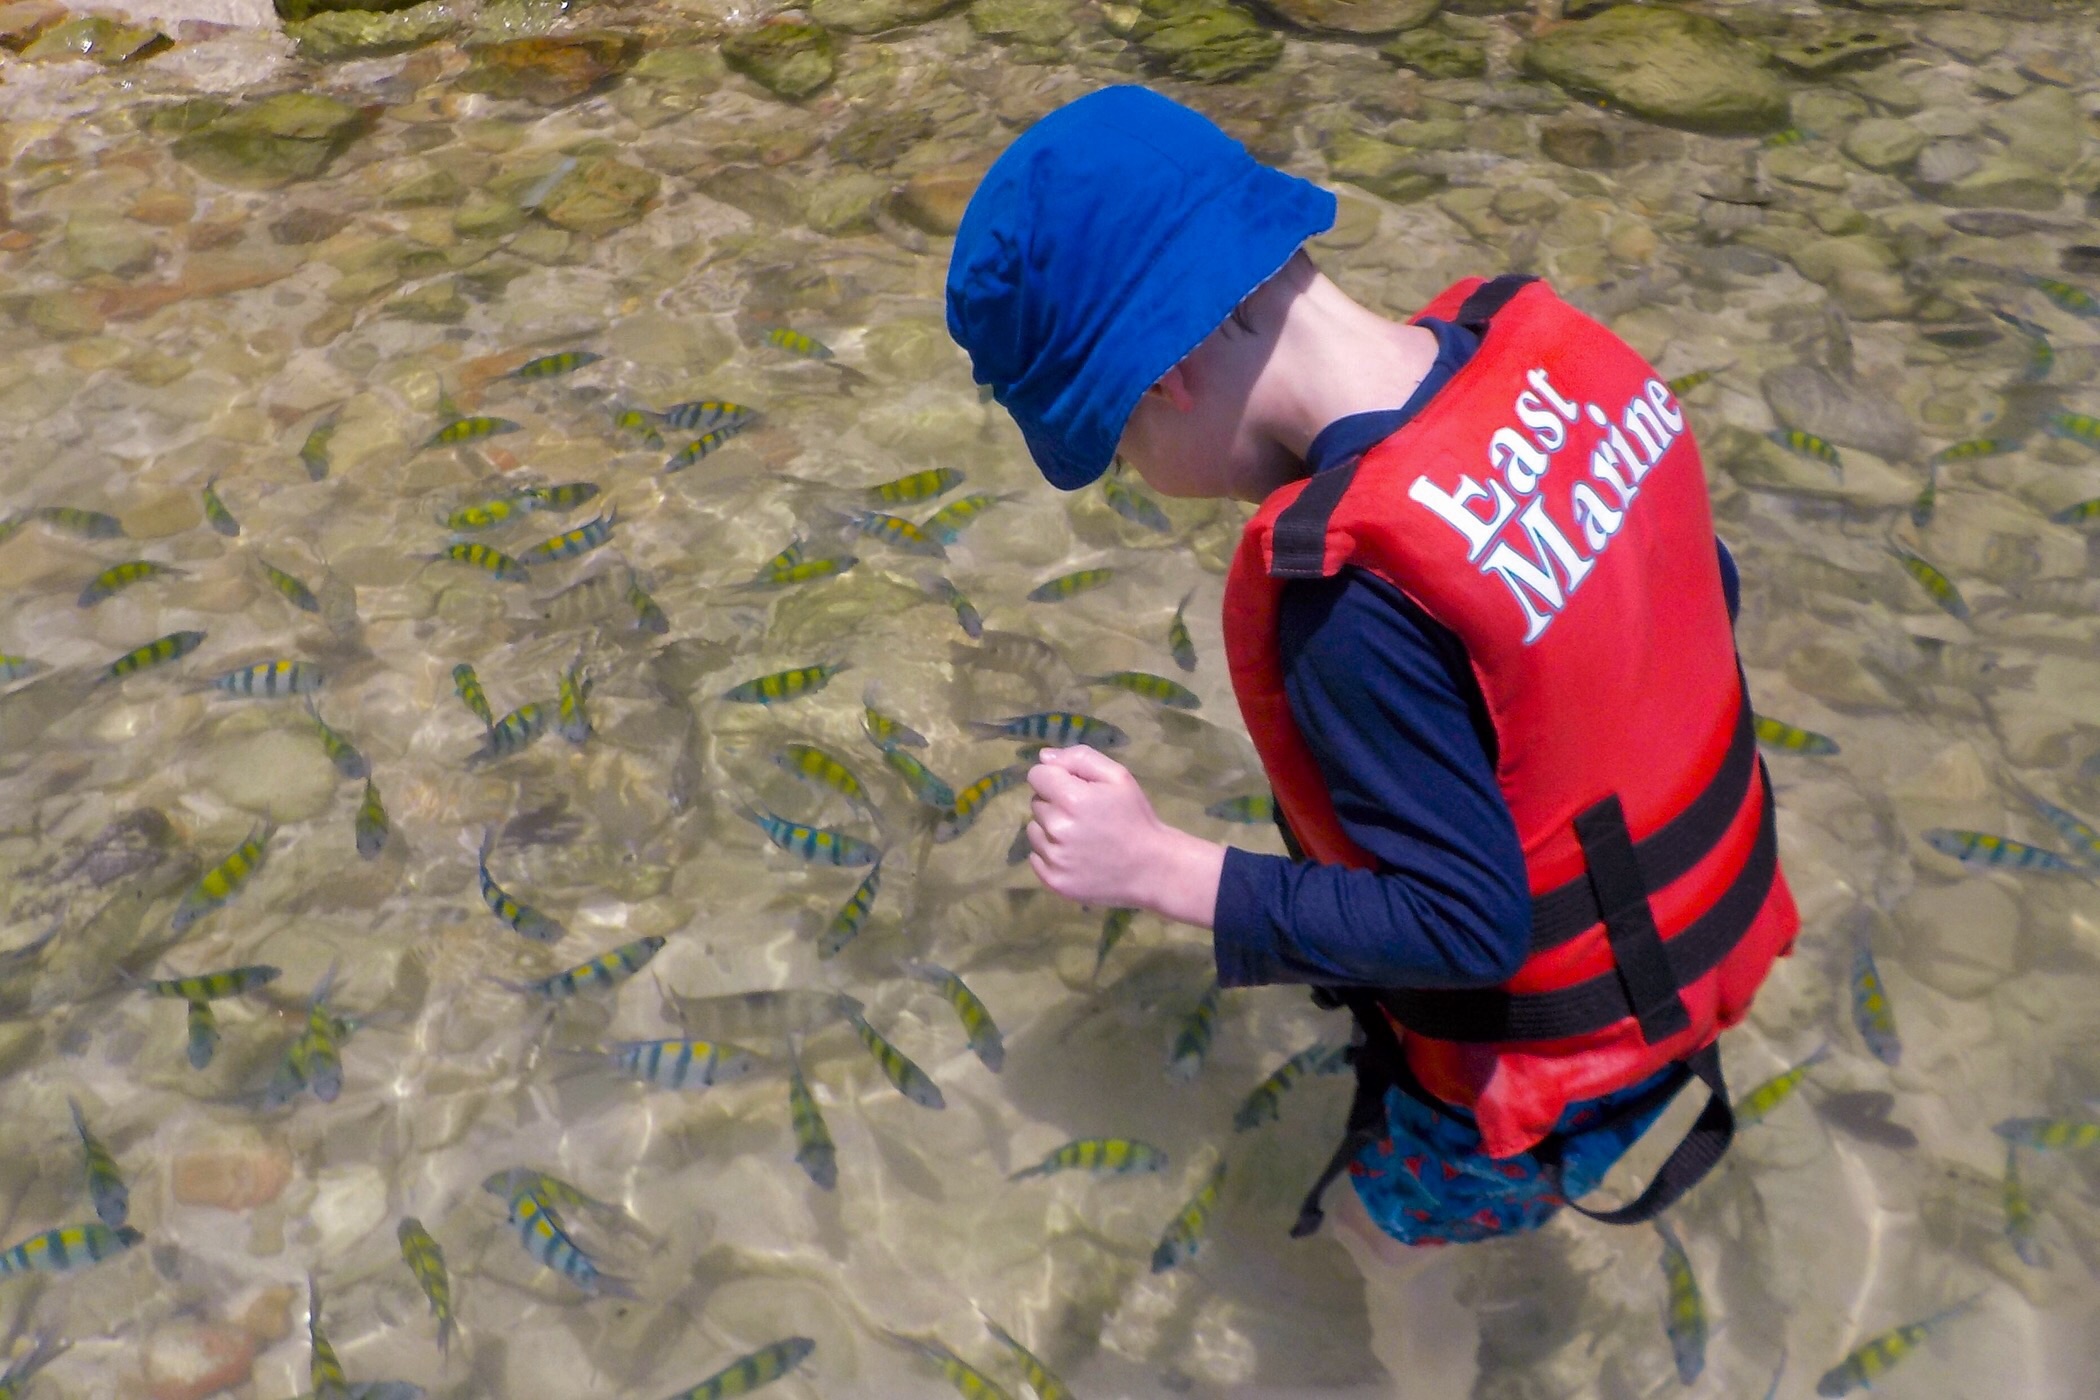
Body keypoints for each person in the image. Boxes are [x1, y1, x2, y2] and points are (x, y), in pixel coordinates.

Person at [945, 85, 1799, 1385]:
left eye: (1115, 441)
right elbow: (1697, 592)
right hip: (1694, 938)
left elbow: (1469, 928)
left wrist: (1159, 867)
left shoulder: (1348, 598)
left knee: (1373, 1234)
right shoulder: (1563, 374)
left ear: (1165, 379)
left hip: (1550, 1057)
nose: (1135, 470)